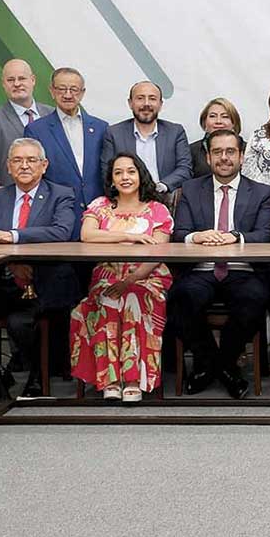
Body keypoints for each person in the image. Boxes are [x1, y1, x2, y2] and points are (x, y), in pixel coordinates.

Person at [0, 138, 75, 401]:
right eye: (17, 160)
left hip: (42, 281)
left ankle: (37, 375)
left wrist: (14, 236)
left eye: (31, 160)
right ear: (8, 167)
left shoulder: (61, 194)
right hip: (1, 279)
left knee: (19, 323)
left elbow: (61, 232)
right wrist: (11, 262)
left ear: (44, 165)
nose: (24, 166)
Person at [168, 130, 270, 398]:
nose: (224, 158)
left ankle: (215, 366)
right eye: (217, 152)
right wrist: (197, 236)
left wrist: (235, 237)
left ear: (241, 156)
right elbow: (179, 233)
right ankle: (218, 365)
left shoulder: (261, 192)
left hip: (242, 269)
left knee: (254, 298)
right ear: (208, 157)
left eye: (230, 152)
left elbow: (265, 235)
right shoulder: (191, 189)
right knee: (180, 298)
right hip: (201, 268)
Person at [69, 153, 174, 402]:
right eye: (118, 172)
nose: (125, 177)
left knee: (132, 298)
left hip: (147, 275)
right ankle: (111, 380)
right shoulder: (100, 205)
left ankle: (134, 379)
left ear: (140, 175)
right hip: (108, 273)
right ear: (111, 179)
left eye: (130, 171)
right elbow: (87, 235)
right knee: (108, 300)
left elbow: (157, 251)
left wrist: (129, 280)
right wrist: (129, 236)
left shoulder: (157, 209)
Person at [23, 67, 108, 241]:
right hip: (57, 216)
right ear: (52, 91)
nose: (68, 95)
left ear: (82, 92)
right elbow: (35, 175)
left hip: (98, 215)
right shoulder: (36, 129)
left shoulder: (101, 128)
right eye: (61, 89)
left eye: (74, 89)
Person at [100, 80, 191, 195]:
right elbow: (107, 172)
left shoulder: (175, 132)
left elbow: (185, 169)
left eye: (152, 99)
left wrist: (160, 187)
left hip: (164, 196)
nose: (146, 104)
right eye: (140, 98)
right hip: (127, 197)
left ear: (160, 104)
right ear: (130, 103)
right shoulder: (113, 133)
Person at [0, 58, 51, 194]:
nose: (17, 84)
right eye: (10, 80)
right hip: (12, 200)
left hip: (51, 199)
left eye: (22, 78)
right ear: (3, 84)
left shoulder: (51, 114)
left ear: (33, 80)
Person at [190, 97, 242, 178]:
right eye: (212, 116)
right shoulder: (191, 151)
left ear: (234, 123)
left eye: (225, 117)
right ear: (204, 122)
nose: (218, 121)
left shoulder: (247, 149)